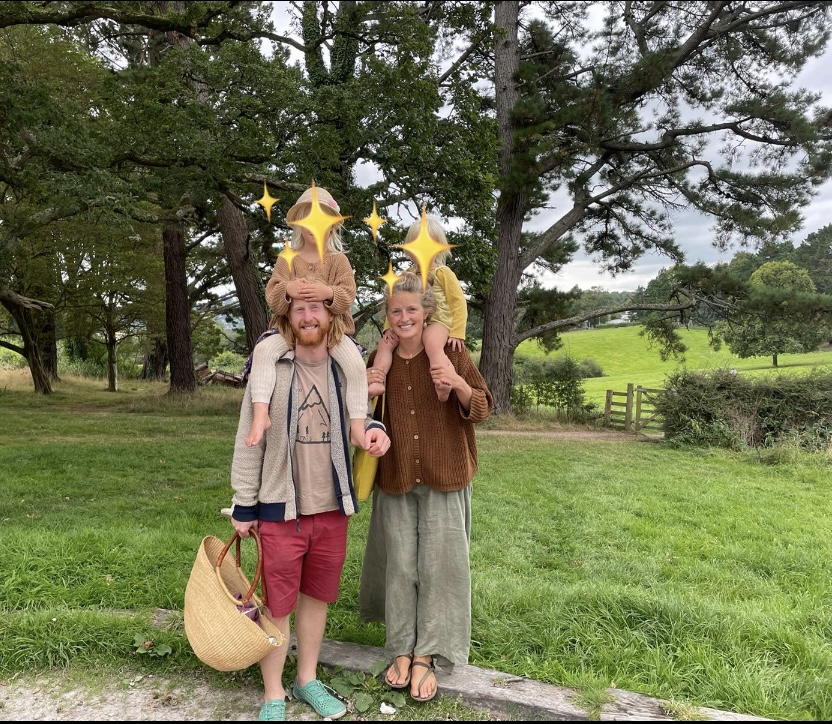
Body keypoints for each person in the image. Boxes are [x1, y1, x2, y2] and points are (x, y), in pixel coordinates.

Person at [229, 288, 391, 722]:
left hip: (332, 509)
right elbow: (248, 440)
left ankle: (307, 679)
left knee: (316, 600)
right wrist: (244, 503)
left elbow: (361, 419)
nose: (307, 316)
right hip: (280, 510)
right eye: (299, 309)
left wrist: (376, 431)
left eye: (315, 308)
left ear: (330, 316)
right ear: (288, 318)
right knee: (278, 606)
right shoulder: (271, 372)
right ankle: (273, 692)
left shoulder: (342, 369)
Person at [359, 271, 493, 703]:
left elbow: (483, 407)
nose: (404, 318)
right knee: (400, 567)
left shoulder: (453, 352)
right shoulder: (379, 360)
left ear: (426, 311)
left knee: (439, 568)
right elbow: (360, 413)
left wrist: (458, 384)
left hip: (446, 475)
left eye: (412, 310)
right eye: (396, 311)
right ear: (388, 315)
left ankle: (427, 654)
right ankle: (400, 647)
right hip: (395, 476)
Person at [245, 186, 367, 449]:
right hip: (289, 331)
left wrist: (328, 293)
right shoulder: (287, 259)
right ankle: (260, 413)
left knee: (356, 365)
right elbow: (273, 295)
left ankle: (358, 425)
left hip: (332, 333)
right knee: (263, 351)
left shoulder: (338, 261)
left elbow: (348, 294)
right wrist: (288, 289)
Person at [367, 216, 467, 402]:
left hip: (437, 322)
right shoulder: (407, 275)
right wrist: (388, 328)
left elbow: (458, 303)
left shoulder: (443, 273)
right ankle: (378, 380)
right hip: (411, 323)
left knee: (432, 344)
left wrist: (457, 332)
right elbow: (394, 304)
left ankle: (442, 382)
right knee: (384, 345)